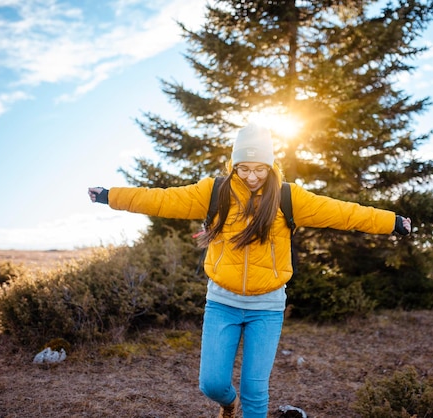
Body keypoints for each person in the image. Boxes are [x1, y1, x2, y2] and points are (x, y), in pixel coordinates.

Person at [88, 123, 411, 418]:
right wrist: (109, 196)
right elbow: (159, 200)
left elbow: (343, 213)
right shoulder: (214, 193)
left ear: (270, 166)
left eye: (259, 169)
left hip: (267, 308)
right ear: (233, 166)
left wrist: (391, 222)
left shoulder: (288, 198)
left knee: (256, 392)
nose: (252, 176)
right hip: (222, 303)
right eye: (244, 168)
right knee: (212, 385)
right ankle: (229, 405)